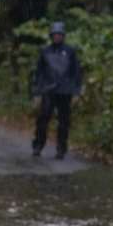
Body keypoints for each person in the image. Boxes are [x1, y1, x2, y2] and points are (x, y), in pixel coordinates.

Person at [31, 20, 83, 159]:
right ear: (51, 35)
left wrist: (76, 92)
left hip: (65, 91)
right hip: (48, 90)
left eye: (59, 34)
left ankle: (61, 149)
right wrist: (37, 93)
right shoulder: (45, 51)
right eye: (55, 34)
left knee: (64, 122)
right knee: (43, 119)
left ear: (63, 36)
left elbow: (76, 72)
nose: (57, 37)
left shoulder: (70, 52)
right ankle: (38, 145)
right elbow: (39, 73)